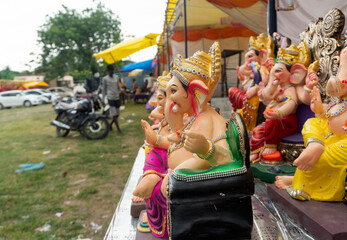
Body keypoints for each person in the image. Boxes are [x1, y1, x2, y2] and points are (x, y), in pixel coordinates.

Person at [102, 64, 123, 134]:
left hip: (117, 97)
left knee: (117, 114)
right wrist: (103, 99)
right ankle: (118, 130)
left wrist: (125, 93)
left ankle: (110, 125)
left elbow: (119, 87)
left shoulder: (116, 77)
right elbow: (104, 90)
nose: (111, 71)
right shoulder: (105, 79)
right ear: (108, 71)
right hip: (110, 98)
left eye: (112, 70)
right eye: (110, 70)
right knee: (114, 114)